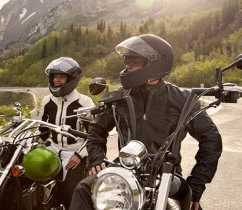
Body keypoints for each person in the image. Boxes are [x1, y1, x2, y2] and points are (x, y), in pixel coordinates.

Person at [69, 34, 222, 210]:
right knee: (84, 189)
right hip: (124, 169)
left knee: (187, 203)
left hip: (167, 174)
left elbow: (211, 138)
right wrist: (97, 159)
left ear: (154, 63)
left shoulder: (183, 100)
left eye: (134, 62)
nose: (127, 67)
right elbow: (96, 129)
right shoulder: (119, 98)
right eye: (127, 61)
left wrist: (197, 183)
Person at [37, 57, 94, 209]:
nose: (56, 80)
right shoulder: (47, 101)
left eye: (61, 77)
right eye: (55, 77)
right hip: (53, 148)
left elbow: (94, 136)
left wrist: (79, 155)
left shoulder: (85, 102)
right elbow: (41, 129)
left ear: (71, 79)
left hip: (74, 151)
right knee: (34, 178)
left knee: (70, 191)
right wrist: (37, 145)